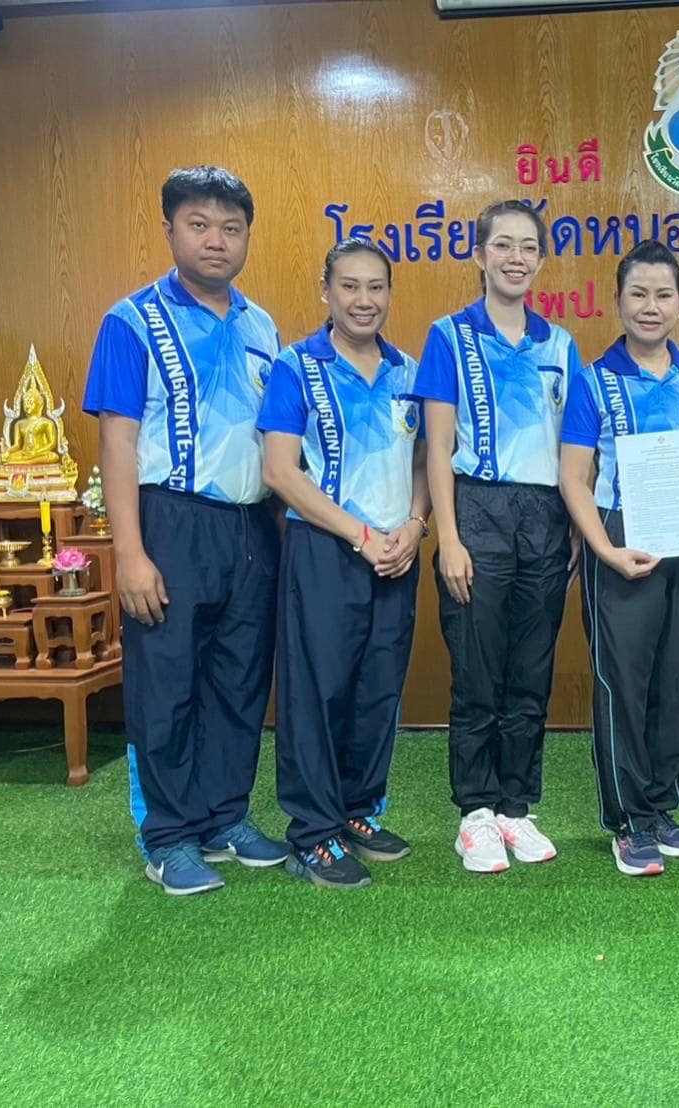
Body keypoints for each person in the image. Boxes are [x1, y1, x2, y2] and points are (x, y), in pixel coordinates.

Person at [83, 166, 286, 895]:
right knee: (165, 683)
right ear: (169, 228)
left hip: (252, 525)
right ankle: (167, 836)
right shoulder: (131, 321)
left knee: (239, 679)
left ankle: (225, 817)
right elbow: (117, 442)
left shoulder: (262, 327)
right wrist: (129, 552)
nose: (215, 240)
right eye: (199, 224)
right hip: (169, 521)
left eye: (231, 228)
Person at [413, 201, 582, 874]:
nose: (516, 258)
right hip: (475, 509)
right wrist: (449, 538)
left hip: (545, 516)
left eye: (528, 247)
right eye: (502, 246)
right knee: (478, 670)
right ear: (479, 255)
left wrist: (573, 527)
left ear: (541, 259)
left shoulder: (559, 345)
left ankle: (516, 805)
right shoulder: (448, 336)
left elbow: (575, 449)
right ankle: (476, 812)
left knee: (531, 670)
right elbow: (436, 446)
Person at [258, 238, 429, 890]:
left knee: (377, 690)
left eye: (376, 287)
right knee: (317, 692)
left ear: (389, 294)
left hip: (396, 554)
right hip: (325, 552)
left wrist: (414, 526)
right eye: (350, 286)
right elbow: (280, 471)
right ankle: (312, 832)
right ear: (325, 291)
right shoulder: (296, 367)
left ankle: (357, 808)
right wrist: (360, 535)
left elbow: (425, 462)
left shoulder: (409, 373)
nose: (364, 300)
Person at [559, 240, 679, 877]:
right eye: (638, 294)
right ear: (618, 301)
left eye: (663, 295)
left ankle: (661, 807)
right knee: (624, 684)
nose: (650, 306)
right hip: (619, 536)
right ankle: (628, 819)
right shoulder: (593, 381)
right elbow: (573, 476)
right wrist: (603, 550)